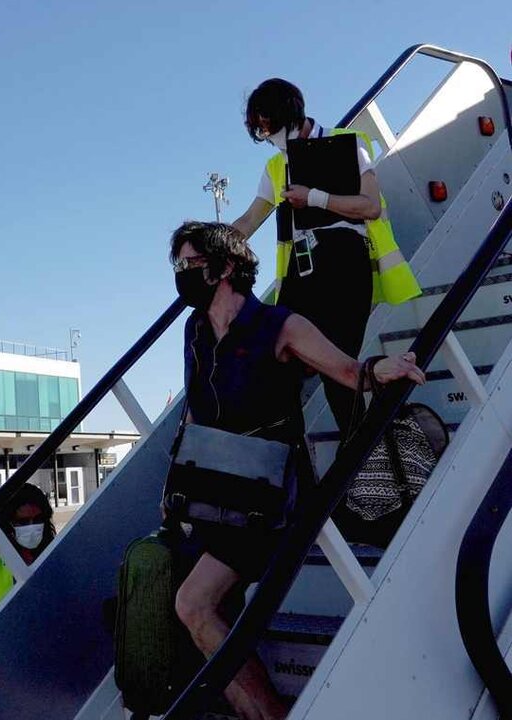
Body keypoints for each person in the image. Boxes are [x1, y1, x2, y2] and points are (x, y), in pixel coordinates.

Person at [168, 220, 423, 720]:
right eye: (177, 265)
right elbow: (196, 411)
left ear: (226, 267)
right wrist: (176, 478)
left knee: (193, 604)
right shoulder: (195, 331)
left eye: (190, 264)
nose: (181, 275)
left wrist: (380, 369)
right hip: (217, 490)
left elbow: (347, 372)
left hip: (270, 495)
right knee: (193, 604)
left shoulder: (283, 325)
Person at [229, 78, 420, 436]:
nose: (266, 135)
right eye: (260, 129)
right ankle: (298, 466)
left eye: (268, 126)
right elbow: (250, 219)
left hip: (345, 262)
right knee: (276, 362)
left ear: (289, 114)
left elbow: (370, 207)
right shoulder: (275, 166)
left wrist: (314, 197)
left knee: (339, 373)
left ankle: (366, 463)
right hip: (303, 273)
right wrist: (212, 245)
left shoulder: (346, 144)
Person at [0, 484, 56, 621]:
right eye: (23, 522)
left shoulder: (54, 556)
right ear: (8, 524)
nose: (31, 526)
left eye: (37, 520)